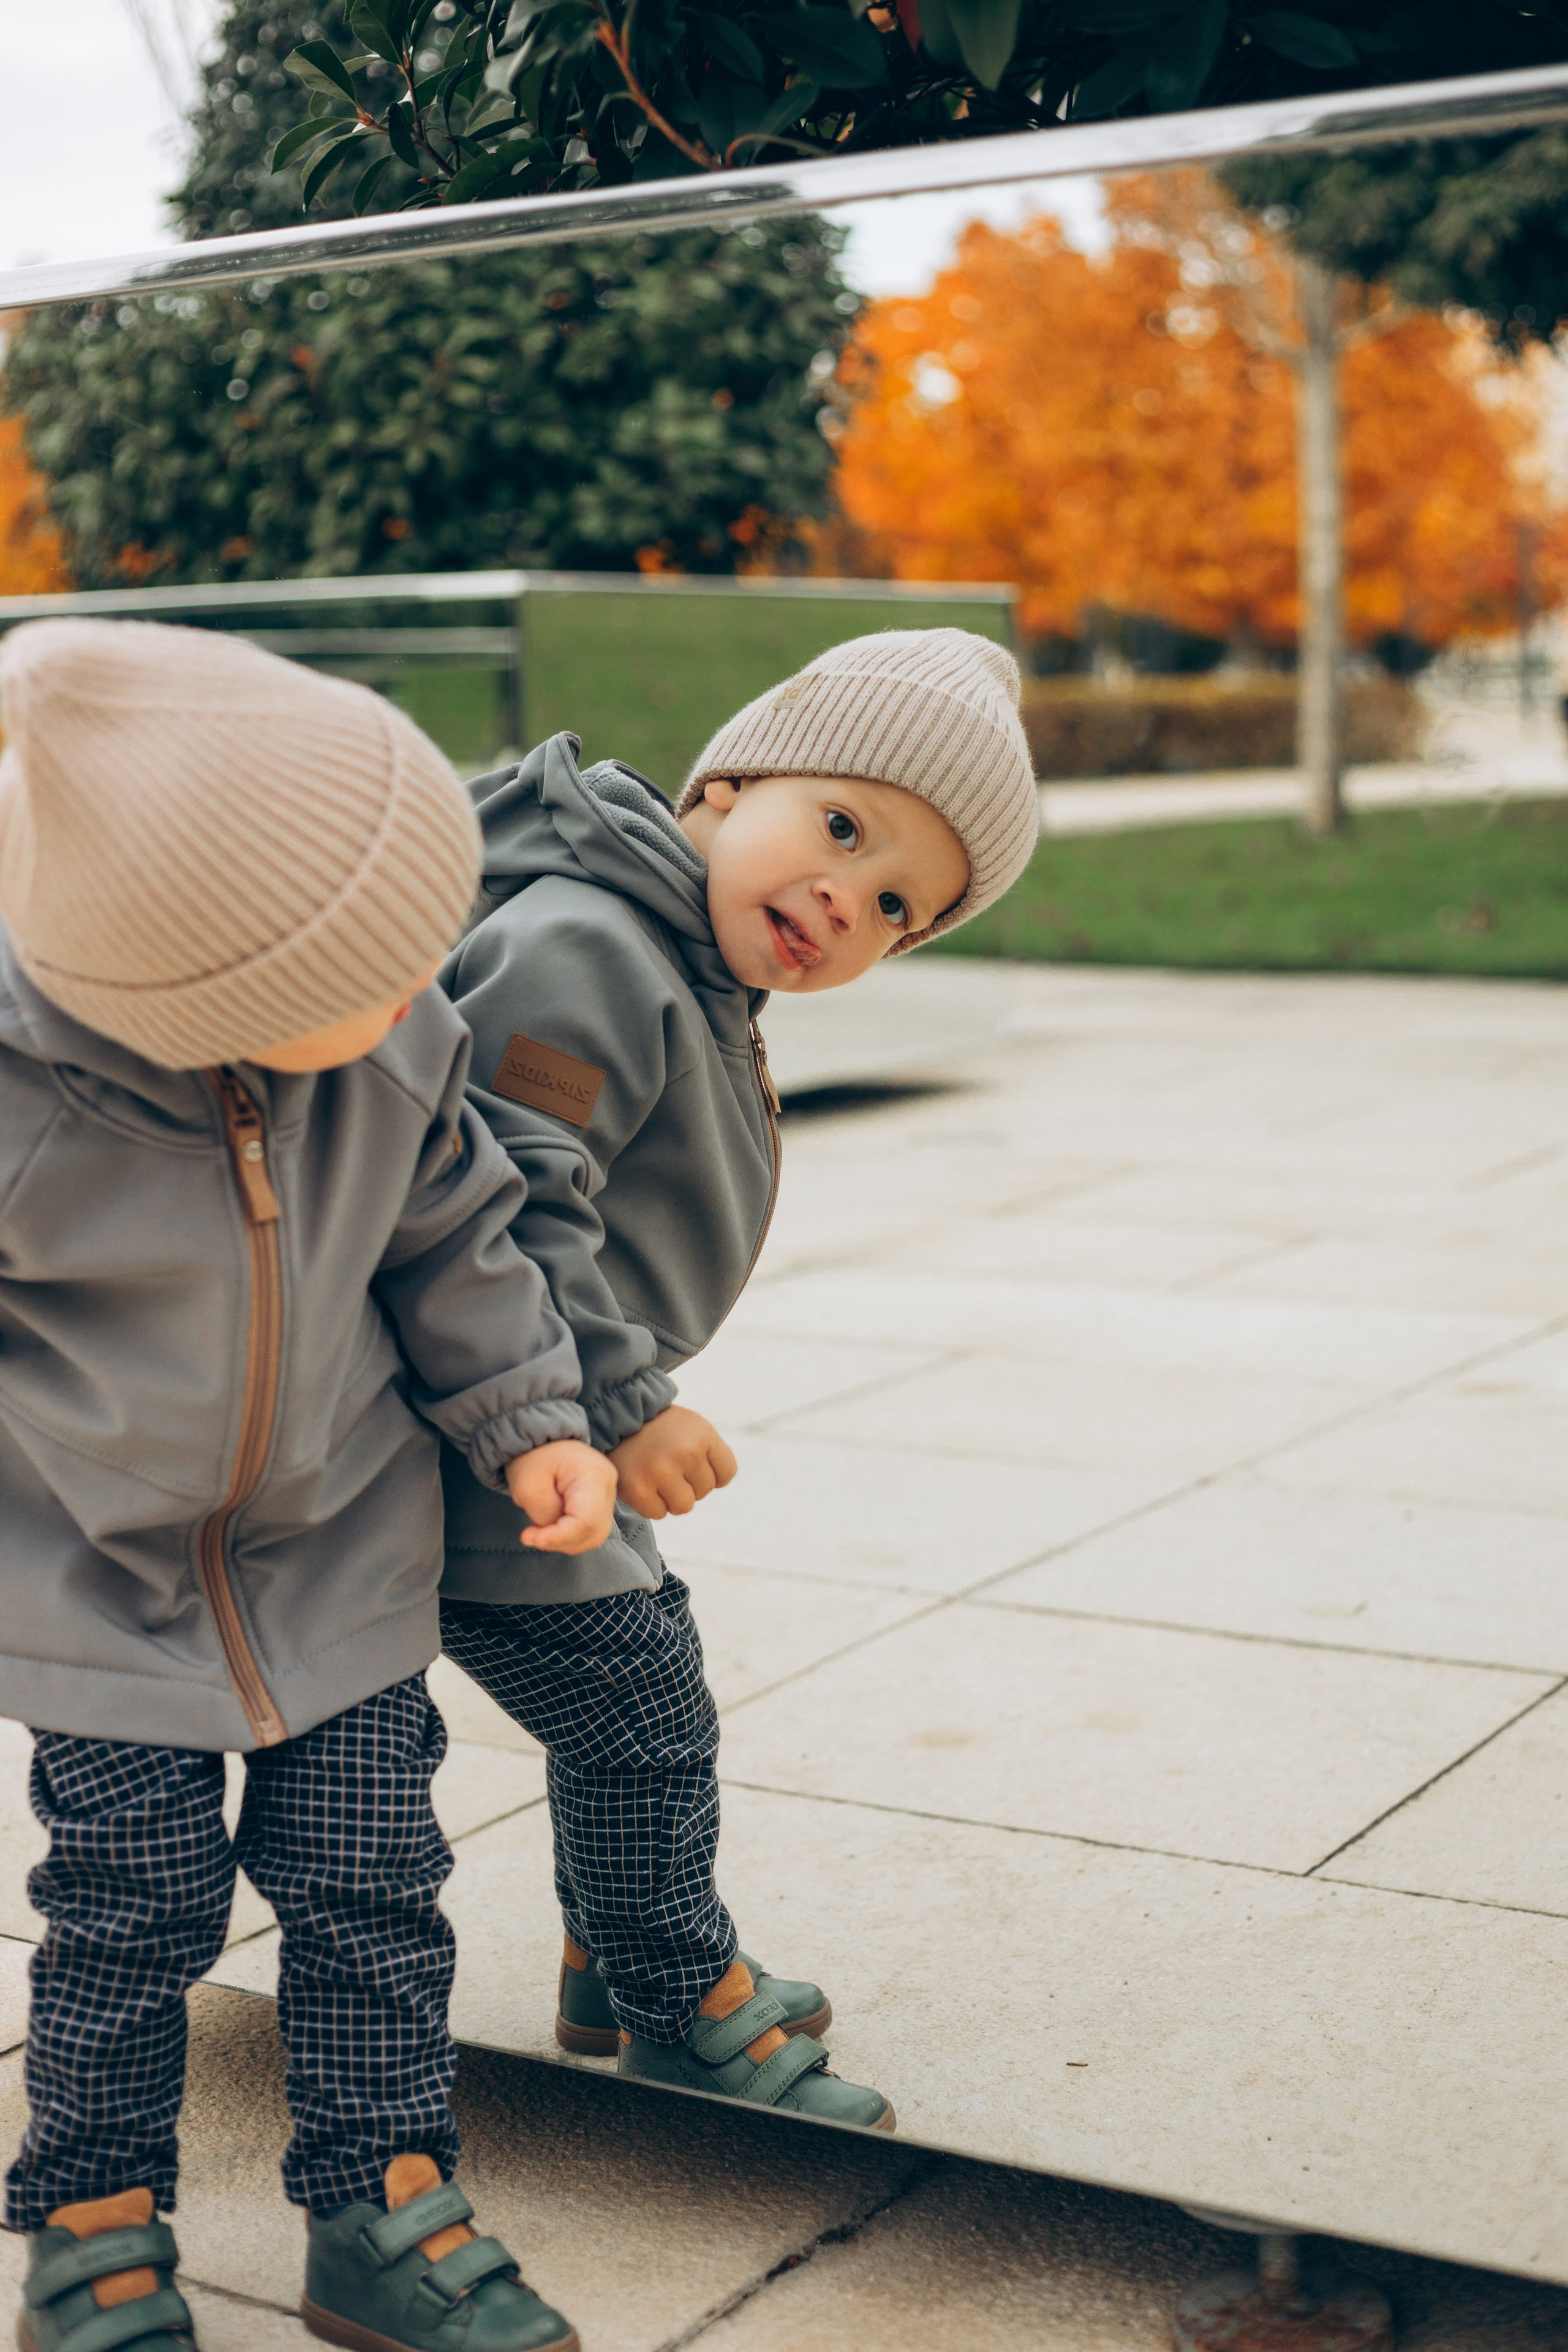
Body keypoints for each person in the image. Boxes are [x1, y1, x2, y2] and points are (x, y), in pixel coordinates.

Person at [0, 619, 617, 2352]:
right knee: (130, 1916)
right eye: (386, 953)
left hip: (340, 1553)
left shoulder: (391, 1037)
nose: (434, 975)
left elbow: (459, 1238)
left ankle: (383, 2201)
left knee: (372, 1893)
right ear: (203, 1006)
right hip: (93, 1573)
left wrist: (533, 1415)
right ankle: (96, 2224)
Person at [439, 627, 1039, 2133]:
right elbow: (502, 1198)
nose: (850, 899)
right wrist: (628, 1405)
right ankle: (669, 1994)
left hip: (547, 1417)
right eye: (841, 827)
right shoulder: (586, 946)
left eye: (900, 906)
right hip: (468, 1424)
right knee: (638, 1708)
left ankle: (612, 1950)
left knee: (633, 1696)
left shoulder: (675, 953)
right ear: (723, 782)